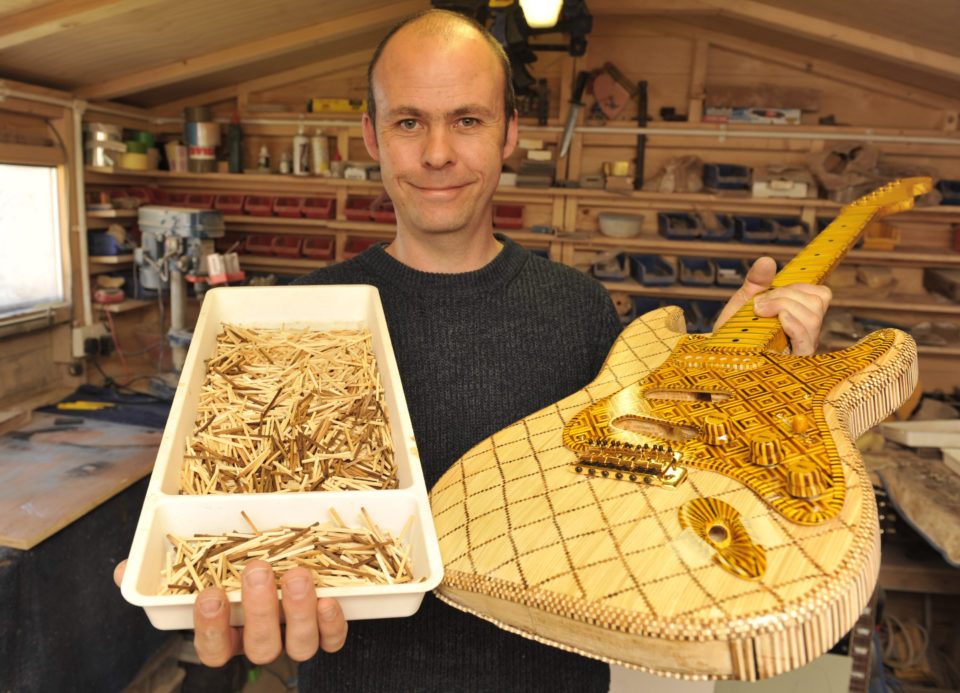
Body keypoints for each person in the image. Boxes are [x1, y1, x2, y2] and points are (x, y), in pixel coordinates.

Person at [115, 9, 831, 691]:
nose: (436, 153)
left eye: (467, 120)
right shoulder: (297, 318)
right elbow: (240, 513)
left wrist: (739, 378)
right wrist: (234, 602)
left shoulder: (579, 310)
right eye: (408, 122)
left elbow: (661, 492)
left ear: (510, 132)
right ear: (370, 135)